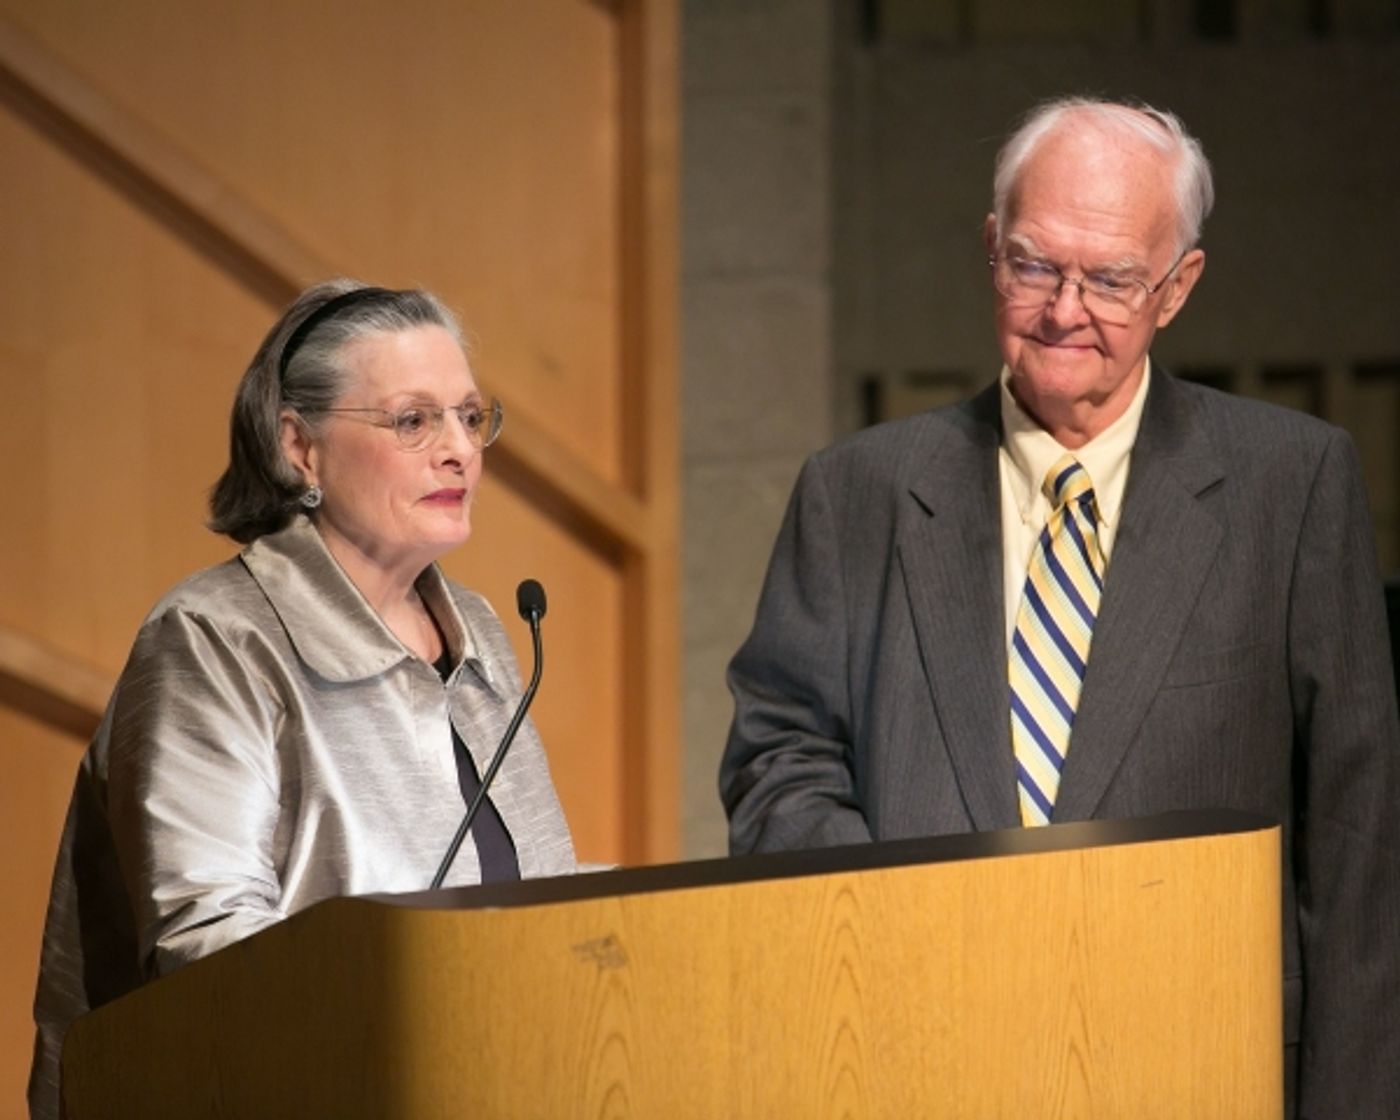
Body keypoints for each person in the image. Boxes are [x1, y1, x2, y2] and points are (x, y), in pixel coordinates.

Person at [720, 97, 1400, 1115]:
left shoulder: (1289, 484)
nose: (1063, 310)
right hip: (924, 1057)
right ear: (990, 249)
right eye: (1034, 265)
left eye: (1111, 279)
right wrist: (899, 927)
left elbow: (1357, 839)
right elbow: (778, 757)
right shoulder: (856, 492)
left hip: (1203, 1066)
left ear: (1176, 287)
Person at [29, 281, 577, 1119]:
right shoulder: (213, 639)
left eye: (470, 417)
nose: (459, 450)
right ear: (299, 449)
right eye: (413, 420)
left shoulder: (481, 632)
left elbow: (538, 894)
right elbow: (208, 951)